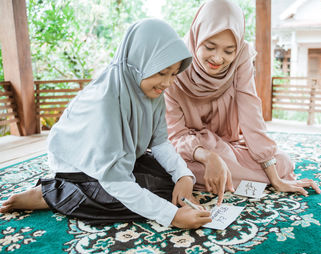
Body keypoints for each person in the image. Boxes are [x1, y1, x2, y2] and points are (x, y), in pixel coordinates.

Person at [0, 19, 211, 229]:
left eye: (173, 74)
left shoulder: (153, 93)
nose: (167, 83)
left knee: (168, 183)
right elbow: (116, 182)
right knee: (120, 198)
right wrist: (172, 216)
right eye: (161, 72)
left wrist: (183, 177)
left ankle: (66, 192)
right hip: (77, 165)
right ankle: (52, 194)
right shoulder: (106, 100)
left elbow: (159, 143)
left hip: (115, 156)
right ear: (138, 62)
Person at [164, 0, 321, 205]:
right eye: (210, 47)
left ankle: (224, 175)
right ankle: (216, 171)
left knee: (282, 162)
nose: (218, 58)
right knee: (194, 164)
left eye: (228, 51)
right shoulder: (174, 65)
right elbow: (175, 135)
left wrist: (275, 178)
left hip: (230, 143)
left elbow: (251, 112)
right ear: (196, 37)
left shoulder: (242, 56)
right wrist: (207, 157)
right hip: (192, 148)